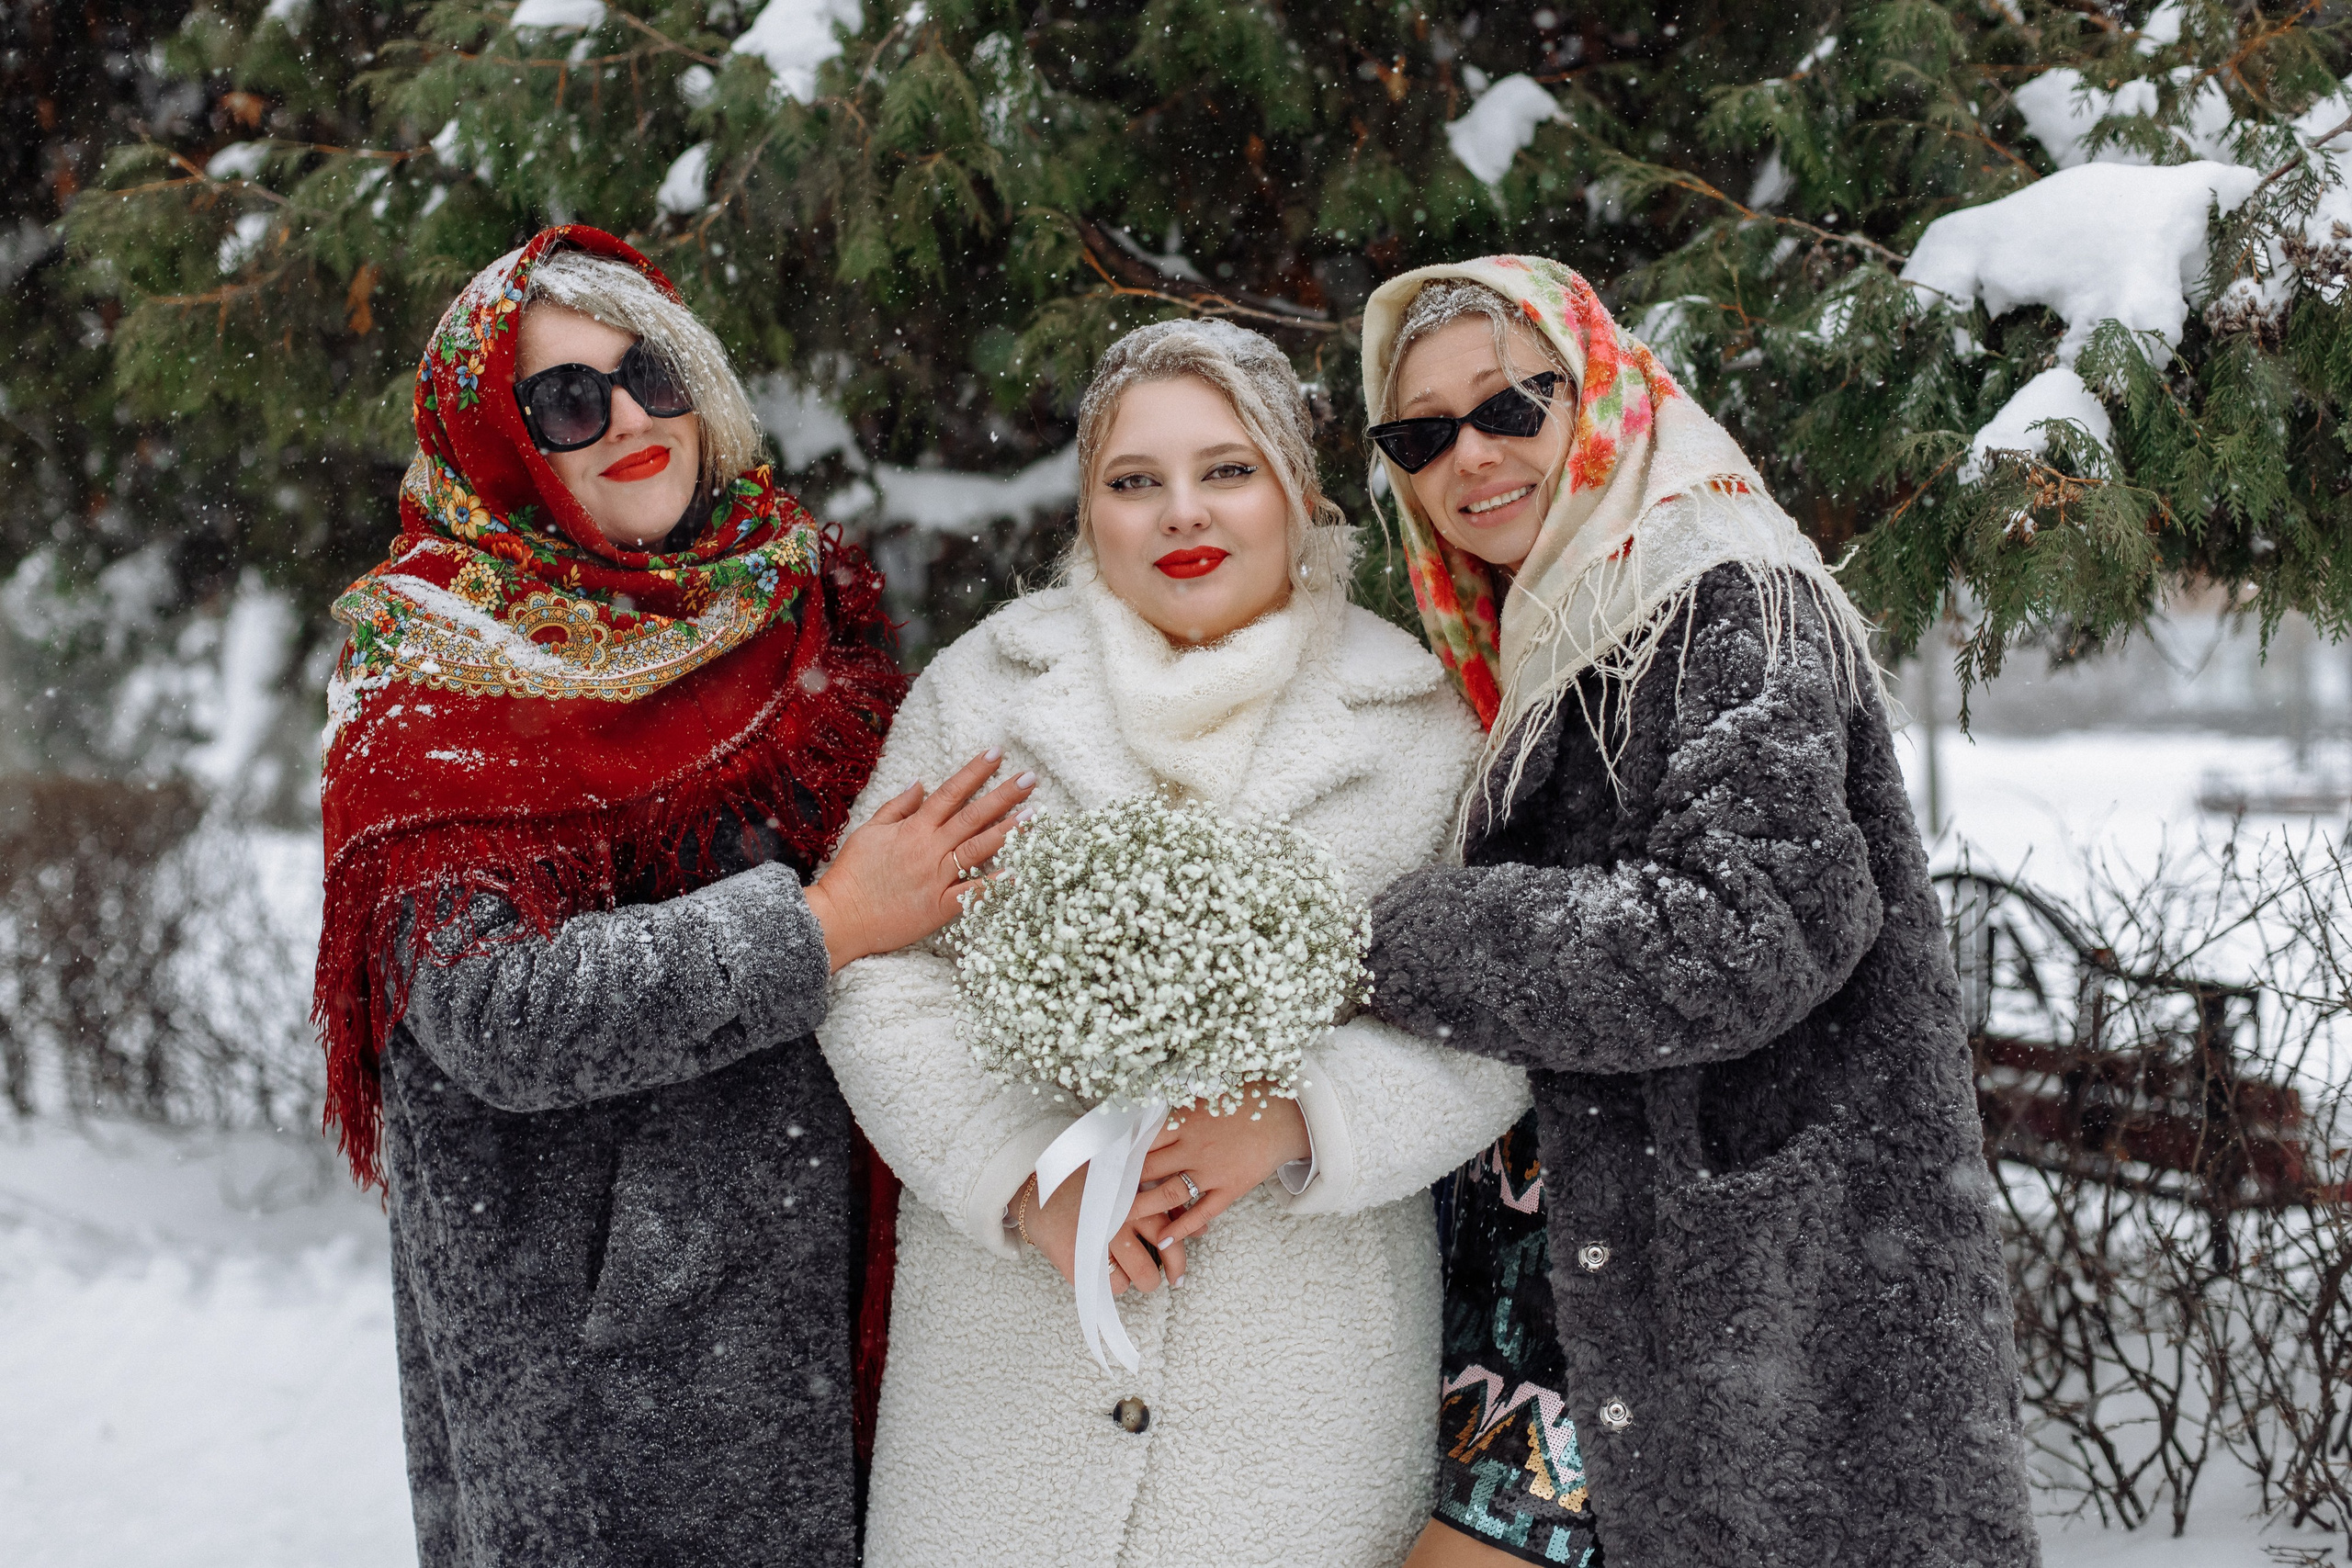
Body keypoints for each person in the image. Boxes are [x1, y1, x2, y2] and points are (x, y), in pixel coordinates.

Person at [312, 225, 1031, 1568]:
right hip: (606, 1371)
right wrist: (818, 928)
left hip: (858, 1298)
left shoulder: (795, 604)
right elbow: (496, 1013)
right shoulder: (429, 690)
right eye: (567, 401)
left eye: (650, 372)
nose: (629, 419)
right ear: (493, 442)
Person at [1360, 255, 2041, 1568]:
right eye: (1422, 432)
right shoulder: (1554, 625)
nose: (1472, 457)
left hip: (1722, 1289)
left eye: (1512, 406)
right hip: (1595, 1272)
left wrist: (1394, 943)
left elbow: (1747, 932)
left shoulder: (1714, 593)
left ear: (1602, 392)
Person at [817, 318, 1530, 1568]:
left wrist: (1305, 1116)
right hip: (1004, 1416)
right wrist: (1023, 1174)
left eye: (1228, 469)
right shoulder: (983, 695)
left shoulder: (1424, 719)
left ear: (1299, 494)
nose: (1181, 513)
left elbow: (1502, 1017)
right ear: (1088, 511)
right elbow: (876, 975)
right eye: (1133, 481)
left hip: (1295, 1417)